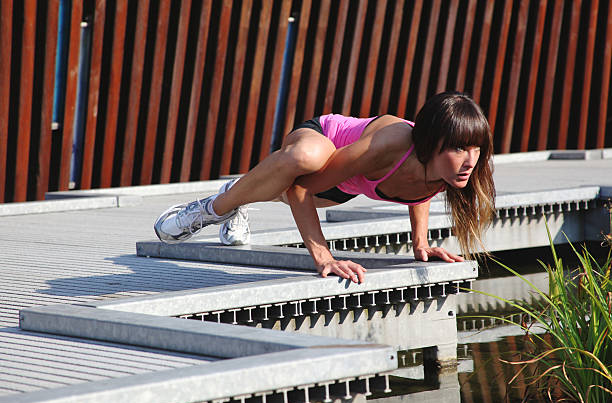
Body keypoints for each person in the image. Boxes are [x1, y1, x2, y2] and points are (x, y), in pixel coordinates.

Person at [154, 91, 496, 284]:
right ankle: (213, 208)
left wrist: (420, 242)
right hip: (320, 141)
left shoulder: (449, 170)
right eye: (458, 148)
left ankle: (243, 189)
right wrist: (324, 258)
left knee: (274, 187)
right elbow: (299, 189)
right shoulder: (389, 145)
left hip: (343, 185)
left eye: (476, 148)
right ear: (429, 143)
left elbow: (420, 187)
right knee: (305, 159)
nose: (471, 159)